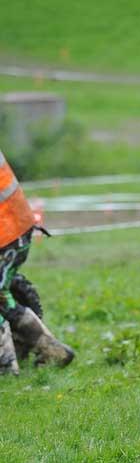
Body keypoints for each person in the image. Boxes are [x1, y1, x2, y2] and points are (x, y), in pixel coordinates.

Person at [0, 150, 74, 374]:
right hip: (18, 230)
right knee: (4, 300)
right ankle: (53, 350)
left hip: (6, 234)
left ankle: (6, 366)